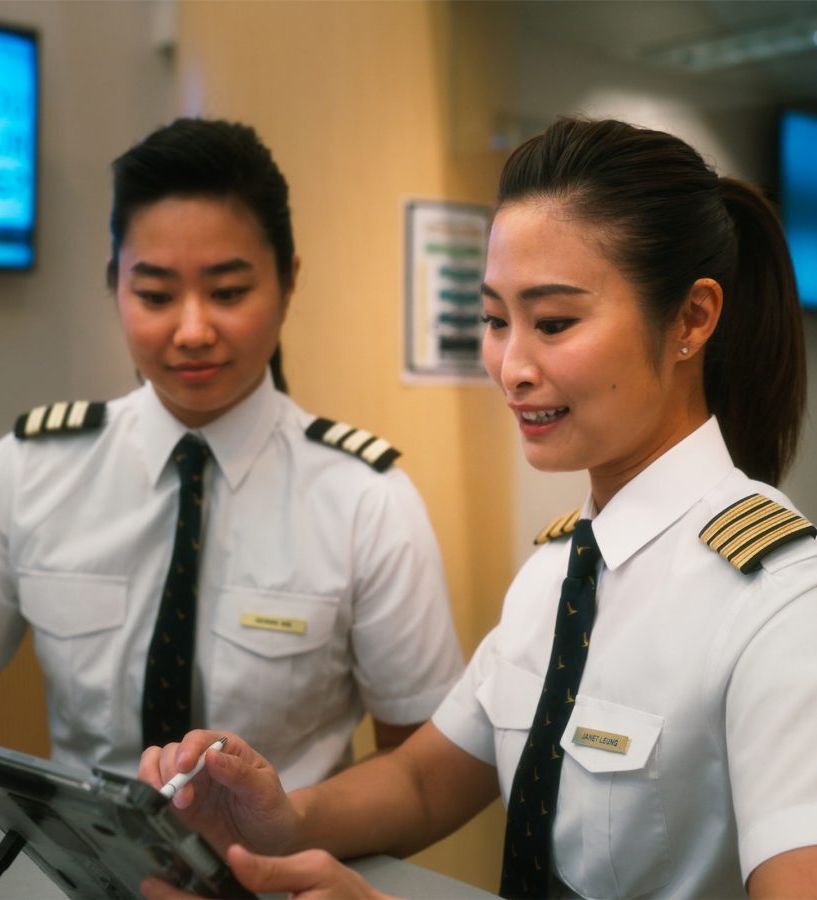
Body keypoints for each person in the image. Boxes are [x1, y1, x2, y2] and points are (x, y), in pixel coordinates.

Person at [138, 117, 817, 900]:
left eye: (554, 322)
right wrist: (278, 816)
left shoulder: (778, 602)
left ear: (693, 319)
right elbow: (427, 782)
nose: (512, 367)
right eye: (496, 321)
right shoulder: (558, 574)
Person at [0, 118, 464, 788]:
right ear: (114, 283)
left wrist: (282, 834)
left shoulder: (365, 500)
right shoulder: (30, 471)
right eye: (155, 295)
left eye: (229, 293)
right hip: (82, 878)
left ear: (288, 283)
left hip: (281, 879)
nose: (193, 329)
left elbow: (423, 771)